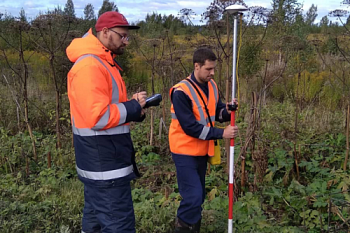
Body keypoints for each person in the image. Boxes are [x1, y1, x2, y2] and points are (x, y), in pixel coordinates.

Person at [66, 11, 146, 233]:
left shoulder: (104, 63)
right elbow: (98, 117)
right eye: (122, 36)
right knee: (119, 226)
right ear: (105, 32)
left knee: (94, 224)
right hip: (105, 167)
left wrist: (134, 109)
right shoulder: (90, 66)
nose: (126, 42)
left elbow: (108, 110)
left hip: (103, 165)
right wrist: (132, 107)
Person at [169, 47, 238, 233]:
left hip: (201, 151)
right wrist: (222, 134)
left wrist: (228, 110)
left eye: (214, 68)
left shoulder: (212, 86)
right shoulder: (180, 92)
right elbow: (190, 127)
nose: (212, 73)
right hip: (184, 152)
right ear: (196, 66)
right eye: (208, 69)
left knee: (197, 199)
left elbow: (215, 112)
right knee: (193, 197)